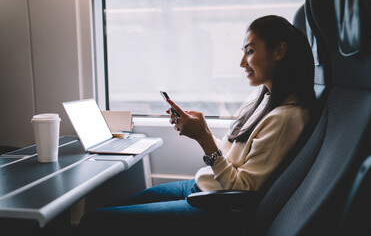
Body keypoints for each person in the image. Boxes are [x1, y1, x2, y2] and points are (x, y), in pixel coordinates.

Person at [78, 15, 316, 236]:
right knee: (117, 207)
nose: (242, 62)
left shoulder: (286, 118)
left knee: (94, 221)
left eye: (250, 52)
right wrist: (199, 131)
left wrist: (204, 139)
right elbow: (234, 158)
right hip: (203, 187)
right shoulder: (264, 98)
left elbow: (243, 190)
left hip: (218, 208)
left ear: (279, 51)